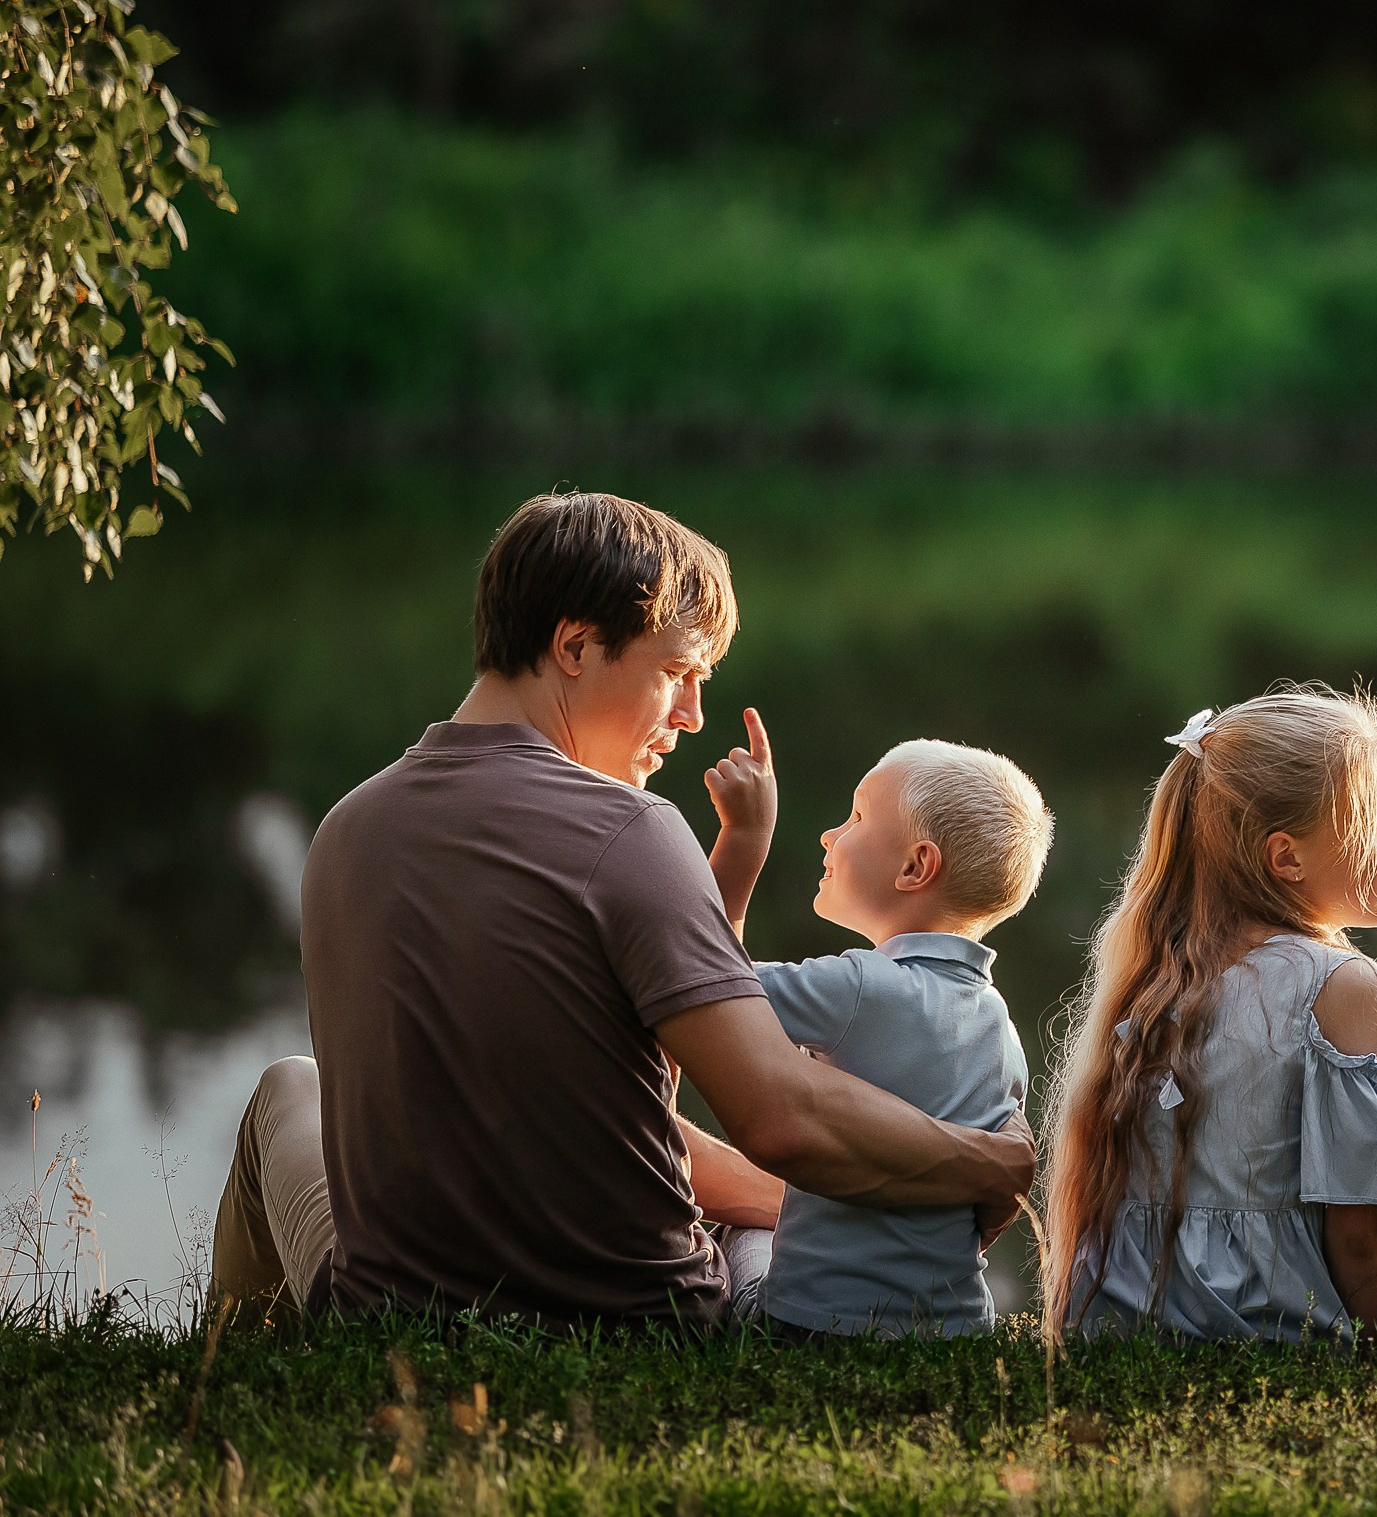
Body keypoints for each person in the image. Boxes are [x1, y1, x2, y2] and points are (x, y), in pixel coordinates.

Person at [208, 491, 1033, 1325]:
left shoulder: (346, 830)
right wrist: (987, 1165)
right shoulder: (632, 832)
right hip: (631, 1317)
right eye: (676, 672)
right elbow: (779, 1117)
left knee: (288, 1089)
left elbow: (594, 1111)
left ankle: (222, 1376)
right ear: (574, 645)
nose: (693, 714)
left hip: (385, 1315)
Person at [1041, 686, 1377, 1342]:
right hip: (1270, 1332)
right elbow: (1359, 1229)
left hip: (1117, 1335)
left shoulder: (1152, 974)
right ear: (1286, 857)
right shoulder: (1340, 982)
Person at [708, 737, 1049, 1338]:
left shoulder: (858, 987)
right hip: (955, 1327)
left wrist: (743, 838)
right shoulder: (1002, 1027)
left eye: (857, 817)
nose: (830, 836)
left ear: (915, 867)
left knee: (744, 1232)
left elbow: (704, 981)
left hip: (814, 1320)